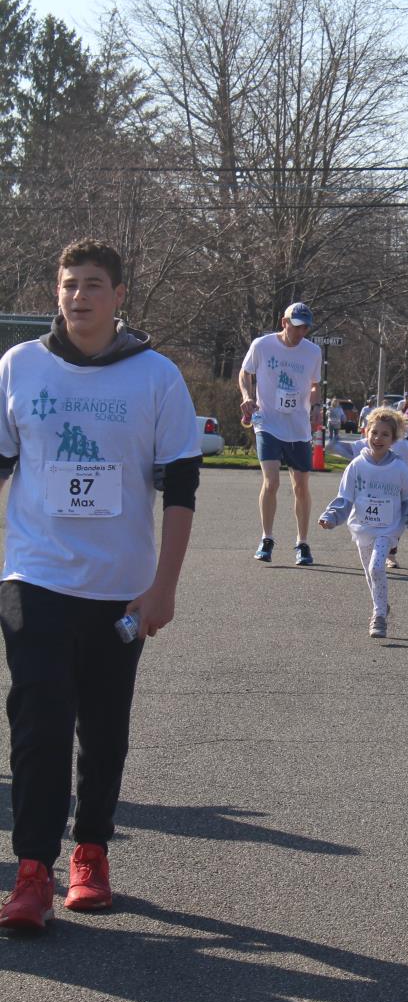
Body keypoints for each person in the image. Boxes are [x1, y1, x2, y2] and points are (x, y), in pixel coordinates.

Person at [0, 239, 201, 931]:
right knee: (39, 717)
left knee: (104, 727)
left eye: (92, 284)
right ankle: (33, 871)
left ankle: (91, 851)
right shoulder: (19, 366)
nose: (78, 296)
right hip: (35, 573)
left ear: (118, 296)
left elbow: (182, 487)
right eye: (68, 284)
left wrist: (164, 586)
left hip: (120, 585)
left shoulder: (156, 376)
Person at [318, 407, 408, 640]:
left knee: (377, 568)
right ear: (366, 433)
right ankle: (381, 603)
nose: (378, 438)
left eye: (385, 434)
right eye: (374, 432)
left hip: (388, 529)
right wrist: (331, 517)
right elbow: (345, 497)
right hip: (362, 527)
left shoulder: (399, 467)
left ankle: (379, 616)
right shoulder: (357, 465)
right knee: (370, 572)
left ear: (393, 439)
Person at [239, 302, 322, 566]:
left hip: (298, 427)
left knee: (301, 486)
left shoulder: (313, 352)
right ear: (284, 322)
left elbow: (314, 385)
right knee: (272, 481)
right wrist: (247, 396)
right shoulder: (262, 345)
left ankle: (302, 542)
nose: (301, 332)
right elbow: (245, 372)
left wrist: (316, 406)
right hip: (268, 423)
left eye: (305, 327)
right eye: (296, 326)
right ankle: (267, 538)